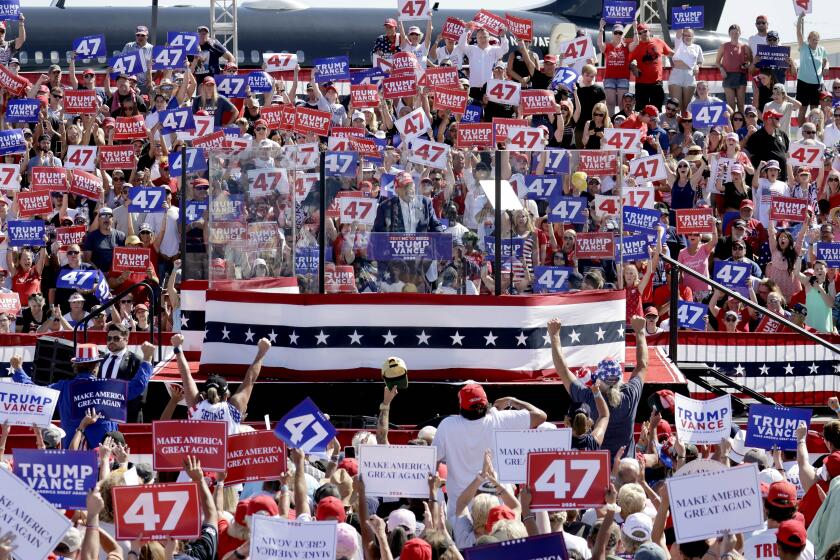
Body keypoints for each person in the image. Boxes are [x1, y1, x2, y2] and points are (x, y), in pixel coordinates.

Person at [432, 382, 546, 517]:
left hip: (461, 511)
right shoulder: (500, 419)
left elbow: (433, 462)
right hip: (499, 509)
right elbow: (540, 416)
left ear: (461, 406)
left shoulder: (447, 426)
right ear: (487, 404)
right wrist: (511, 401)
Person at [10, 342, 153, 449]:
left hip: (73, 455)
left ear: (75, 366)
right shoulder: (110, 387)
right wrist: (146, 359)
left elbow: (34, 393)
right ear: (97, 366)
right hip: (104, 454)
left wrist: (18, 370)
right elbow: (137, 386)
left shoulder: (63, 387)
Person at [549, 315, 648, 459]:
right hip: (626, 469)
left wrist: (554, 335)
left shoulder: (588, 397)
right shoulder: (630, 395)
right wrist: (639, 331)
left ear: (598, 379)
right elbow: (642, 365)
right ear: (620, 378)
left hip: (598, 470)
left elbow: (563, 370)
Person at [171, 333, 270, 433]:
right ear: (226, 395)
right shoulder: (233, 408)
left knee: (246, 429)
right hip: (228, 448)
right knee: (248, 430)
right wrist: (262, 352)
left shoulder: (196, 407)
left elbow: (186, 375)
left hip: (201, 448)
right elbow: (250, 379)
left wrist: (177, 348)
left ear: (204, 395)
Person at [99, 323, 147, 422]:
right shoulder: (100, 360)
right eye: (109, 338)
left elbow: (141, 394)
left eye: (116, 338)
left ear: (126, 340)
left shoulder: (137, 361)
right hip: (102, 416)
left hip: (127, 417)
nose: (111, 341)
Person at [373, 171, 445, 233]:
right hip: (395, 248)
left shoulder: (425, 202)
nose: (409, 189)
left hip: (421, 247)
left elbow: (436, 226)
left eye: (411, 185)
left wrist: (441, 237)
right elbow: (377, 233)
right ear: (396, 190)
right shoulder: (385, 207)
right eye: (405, 186)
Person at [628, 23, 674, 111]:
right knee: (641, 111)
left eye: (645, 31)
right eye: (640, 33)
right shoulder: (635, 46)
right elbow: (628, 62)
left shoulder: (659, 42)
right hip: (641, 84)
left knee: (656, 111)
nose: (643, 34)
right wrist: (633, 67)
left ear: (649, 31)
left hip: (656, 84)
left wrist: (687, 60)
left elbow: (673, 54)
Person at [458, 23, 509, 102]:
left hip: (489, 88)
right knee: (475, 110)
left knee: (488, 112)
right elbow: (461, 45)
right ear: (477, 38)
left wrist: (502, 36)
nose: (482, 39)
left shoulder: (494, 50)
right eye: (480, 37)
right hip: (473, 87)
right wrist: (466, 31)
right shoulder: (471, 49)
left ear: (489, 38)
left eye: (485, 37)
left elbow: (505, 49)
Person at [795, 14, 829, 130]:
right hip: (803, 81)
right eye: (813, 39)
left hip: (817, 83)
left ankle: (815, 131)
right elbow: (798, 32)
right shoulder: (803, 47)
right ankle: (801, 131)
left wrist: (827, 67)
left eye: (817, 40)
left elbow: (826, 61)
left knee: (815, 109)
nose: (815, 42)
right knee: (802, 108)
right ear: (808, 39)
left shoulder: (822, 49)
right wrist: (800, 18)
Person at [597, 20, 631, 116]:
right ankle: (610, 123)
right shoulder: (608, 46)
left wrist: (635, 28)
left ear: (622, 34)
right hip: (609, 78)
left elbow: (636, 43)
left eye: (620, 33)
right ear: (612, 33)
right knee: (610, 103)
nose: (618, 35)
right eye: (616, 32)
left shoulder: (626, 46)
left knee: (622, 103)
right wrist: (601, 28)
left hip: (623, 78)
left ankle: (623, 123)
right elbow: (599, 44)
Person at [715, 24, 752, 113]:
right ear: (729, 34)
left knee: (740, 104)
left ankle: (741, 124)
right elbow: (717, 62)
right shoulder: (723, 46)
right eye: (732, 33)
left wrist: (747, 65)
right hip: (727, 76)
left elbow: (751, 62)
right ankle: (731, 125)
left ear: (739, 34)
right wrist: (721, 69)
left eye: (736, 33)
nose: (734, 35)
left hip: (741, 76)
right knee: (730, 105)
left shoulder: (745, 47)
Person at [746, 111, 791, 182]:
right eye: (777, 118)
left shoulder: (783, 135)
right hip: (764, 180)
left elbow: (787, 154)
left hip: (782, 180)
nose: (779, 120)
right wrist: (757, 172)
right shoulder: (756, 137)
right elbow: (748, 156)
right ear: (769, 119)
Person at [669, 28, 703, 111]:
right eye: (685, 35)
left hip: (690, 76)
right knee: (677, 106)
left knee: (687, 108)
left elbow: (700, 61)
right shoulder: (679, 44)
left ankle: (686, 123)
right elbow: (679, 30)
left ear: (693, 37)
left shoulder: (697, 47)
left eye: (689, 35)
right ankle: (677, 123)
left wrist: (697, 66)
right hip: (677, 75)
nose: (687, 37)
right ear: (682, 36)